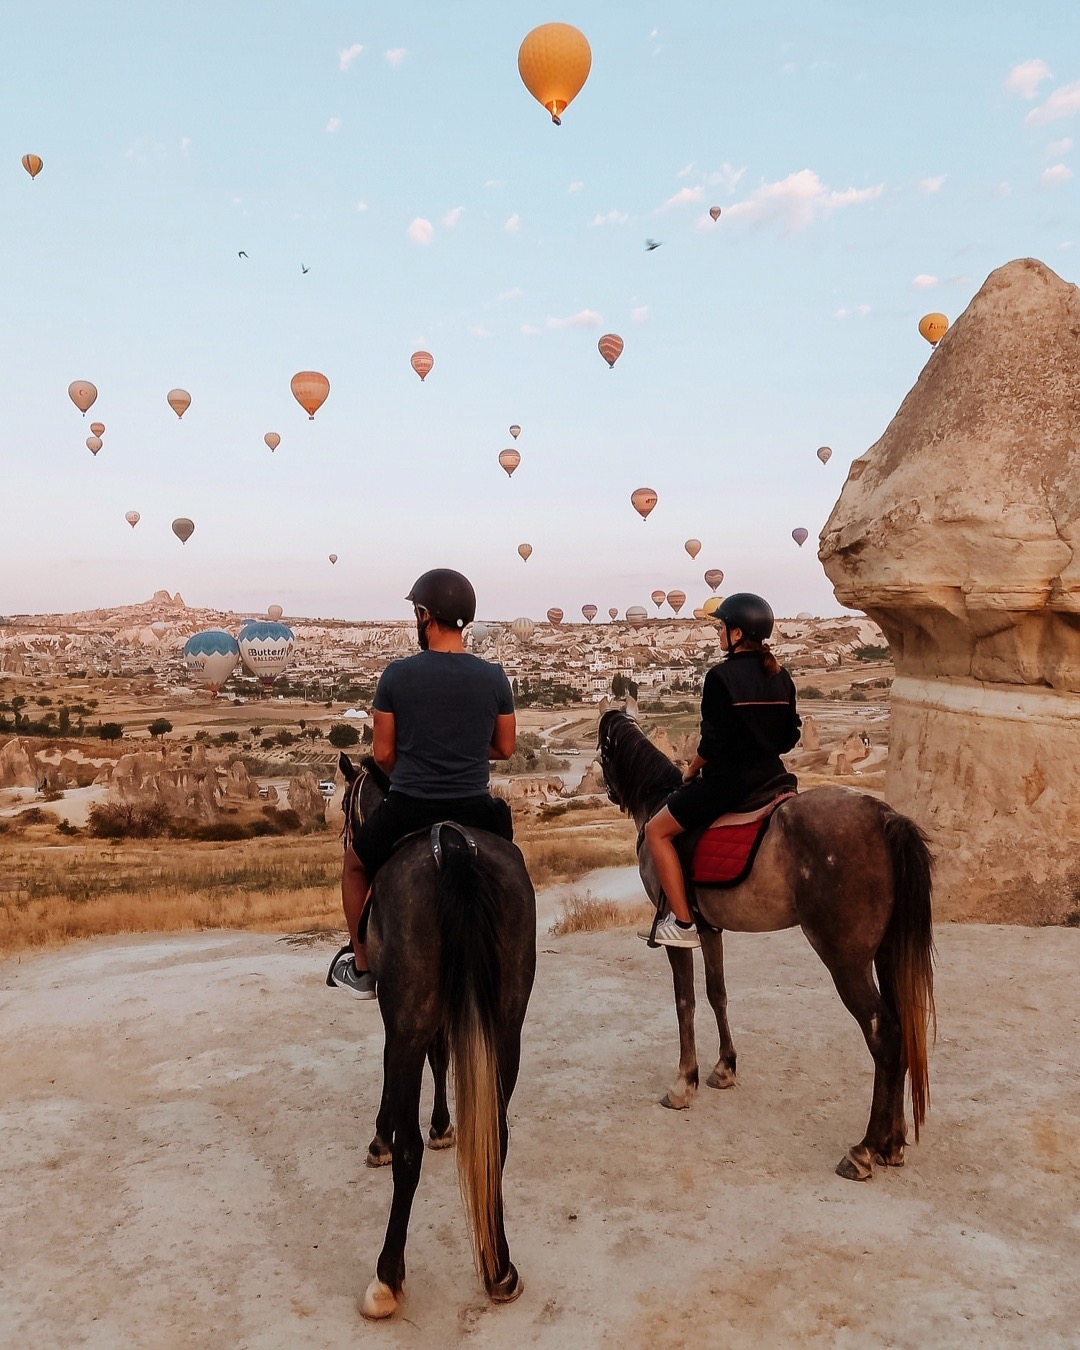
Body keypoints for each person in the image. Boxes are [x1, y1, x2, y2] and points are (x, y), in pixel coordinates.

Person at [328, 569, 516, 998]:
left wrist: (422, 759)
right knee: (508, 867)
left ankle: (362, 968)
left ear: (425, 615)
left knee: (354, 866)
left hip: (411, 803)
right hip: (475, 806)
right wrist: (463, 749)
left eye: (417, 612)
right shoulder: (494, 677)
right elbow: (505, 748)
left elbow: (382, 755)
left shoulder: (397, 675)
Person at [642, 592, 800, 949]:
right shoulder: (782, 676)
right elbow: (790, 736)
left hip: (731, 782)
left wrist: (691, 771)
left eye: (722, 627)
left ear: (738, 633)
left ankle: (683, 922)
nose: (718, 633)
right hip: (775, 777)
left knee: (656, 831)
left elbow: (711, 744)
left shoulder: (720, 676)